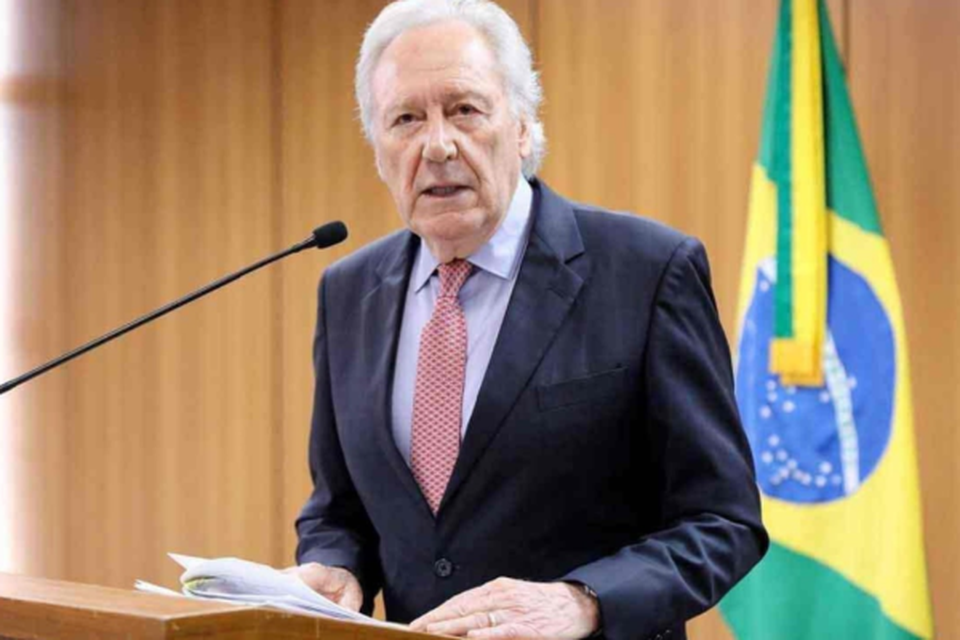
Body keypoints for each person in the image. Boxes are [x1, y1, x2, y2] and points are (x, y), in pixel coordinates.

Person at [290, 1, 767, 638]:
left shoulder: (648, 271)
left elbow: (723, 521)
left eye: (464, 109)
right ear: (378, 148)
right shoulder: (347, 293)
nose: (436, 145)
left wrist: (584, 601)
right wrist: (335, 565)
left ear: (520, 126)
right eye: (405, 118)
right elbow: (338, 508)